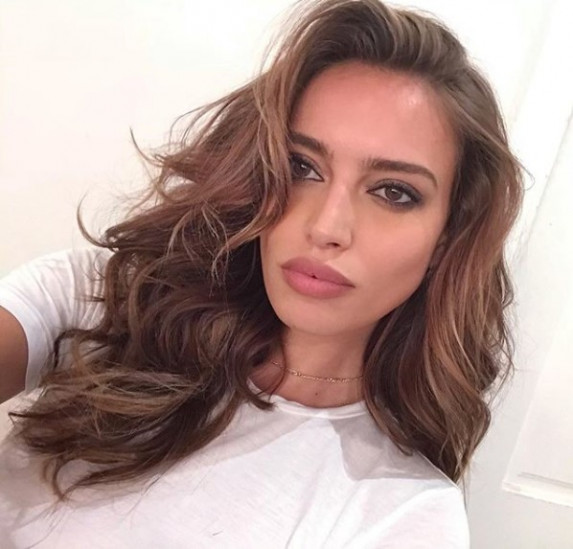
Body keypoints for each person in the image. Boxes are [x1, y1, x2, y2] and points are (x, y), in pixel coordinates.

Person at [0, 0, 523, 547]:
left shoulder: (404, 514)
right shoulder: (106, 302)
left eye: (393, 192)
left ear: (447, 237)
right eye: (302, 167)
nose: (327, 227)